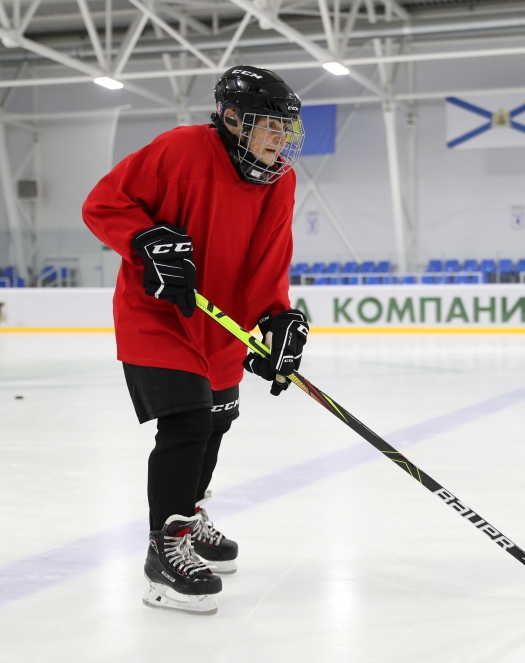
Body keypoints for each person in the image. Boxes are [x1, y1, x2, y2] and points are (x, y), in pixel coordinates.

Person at [82, 66, 310, 614]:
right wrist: (147, 240)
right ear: (232, 120)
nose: (279, 138)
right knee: (186, 419)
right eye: (268, 126)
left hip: (221, 320)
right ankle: (166, 549)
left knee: (217, 418)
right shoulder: (180, 149)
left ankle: (188, 512)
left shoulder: (280, 180)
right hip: (157, 314)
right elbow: (103, 205)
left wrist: (276, 319)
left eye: (285, 128)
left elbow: (268, 260)